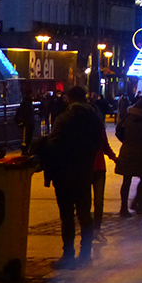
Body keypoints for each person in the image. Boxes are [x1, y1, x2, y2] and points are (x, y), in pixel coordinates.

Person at [43, 85, 104, 267]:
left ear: (69, 99)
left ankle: (68, 255)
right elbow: (98, 142)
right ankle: (85, 255)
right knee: (85, 214)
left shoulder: (64, 119)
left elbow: (54, 144)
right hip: (84, 171)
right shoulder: (94, 119)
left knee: (67, 216)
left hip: (64, 173)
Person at [91, 106, 119, 230]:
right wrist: (114, 158)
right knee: (98, 198)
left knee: (84, 196)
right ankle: (97, 223)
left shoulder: (77, 128)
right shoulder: (98, 127)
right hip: (99, 165)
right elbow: (105, 146)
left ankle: (86, 222)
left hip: (83, 166)